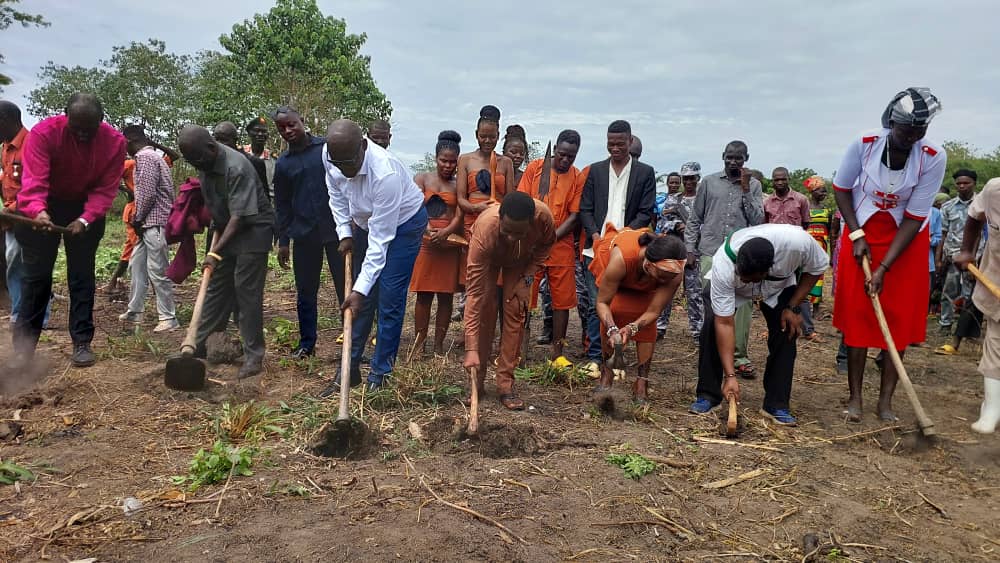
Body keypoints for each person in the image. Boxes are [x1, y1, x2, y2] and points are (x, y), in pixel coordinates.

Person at [833, 87, 946, 422]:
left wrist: (883, 267)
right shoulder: (865, 145)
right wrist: (856, 234)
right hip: (863, 231)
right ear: (891, 123)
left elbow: (915, 216)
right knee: (858, 319)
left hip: (904, 244)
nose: (911, 137)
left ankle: (886, 403)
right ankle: (855, 400)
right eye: (905, 130)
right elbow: (841, 189)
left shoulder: (932, 156)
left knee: (895, 321)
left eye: (919, 131)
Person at [11, 93, 126, 368]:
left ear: (102, 120)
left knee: (81, 276)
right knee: (36, 279)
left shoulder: (114, 142)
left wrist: (85, 220)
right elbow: (35, 180)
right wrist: (39, 211)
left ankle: (82, 343)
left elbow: (105, 188)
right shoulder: (44, 133)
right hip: (46, 203)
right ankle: (23, 350)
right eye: (78, 129)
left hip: (85, 207)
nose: (84, 135)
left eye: (91, 128)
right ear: (65, 116)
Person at [321, 119, 427, 393]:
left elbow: (381, 242)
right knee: (361, 301)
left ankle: (380, 373)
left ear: (364, 147)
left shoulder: (385, 174)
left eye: (350, 163)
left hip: (404, 223)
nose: (344, 170)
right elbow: (335, 194)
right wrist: (344, 231)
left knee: (388, 296)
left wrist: (360, 290)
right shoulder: (331, 156)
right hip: (365, 222)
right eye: (339, 164)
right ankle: (349, 369)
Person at [689, 224, 828, 425]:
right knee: (711, 326)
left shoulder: (799, 244)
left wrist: (793, 306)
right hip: (731, 288)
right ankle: (708, 395)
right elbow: (725, 323)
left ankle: (776, 404)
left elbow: (817, 268)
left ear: (766, 271)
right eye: (742, 276)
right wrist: (730, 375)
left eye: (749, 279)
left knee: (787, 331)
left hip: (778, 287)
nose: (745, 280)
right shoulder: (724, 265)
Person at [177, 124, 274, 379]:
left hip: (253, 229)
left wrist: (215, 252)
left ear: (211, 148)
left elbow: (241, 216)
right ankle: (197, 343)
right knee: (217, 286)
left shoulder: (237, 167)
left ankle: (254, 355)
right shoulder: (204, 160)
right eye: (190, 161)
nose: (195, 164)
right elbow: (217, 203)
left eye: (196, 159)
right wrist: (216, 237)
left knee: (246, 292)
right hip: (227, 226)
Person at [463, 192, 556, 410]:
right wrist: (471, 349)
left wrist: (528, 278)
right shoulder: (484, 231)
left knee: (515, 311)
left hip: (520, 264)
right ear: (500, 218)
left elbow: (546, 245)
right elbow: (473, 296)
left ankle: (506, 385)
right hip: (489, 259)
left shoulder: (544, 217)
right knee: (485, 308)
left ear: (531, 222)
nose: (512, 238)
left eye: (520, 233)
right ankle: (477, 381)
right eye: (507, 231)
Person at [579, 120, 657, 376]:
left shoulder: (645, 172)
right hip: (597, 249)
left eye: (620, 143)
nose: (615, 148)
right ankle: (596, 357)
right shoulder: (595, 171)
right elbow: (586, 209)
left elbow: (646, 211)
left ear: (630, 141)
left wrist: (624, 237)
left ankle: (618, 359)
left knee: (621, 305)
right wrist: (595, 236)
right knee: (596, 303)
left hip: (629, 251)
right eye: (610, 143)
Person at [685, 141, 765, 378]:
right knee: (711, 303)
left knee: (741, 307)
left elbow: (757, 219)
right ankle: (711, 352)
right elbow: (694, 218)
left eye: (738, 158)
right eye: (729, 157)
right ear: (723, 156)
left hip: (739, 256)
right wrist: (690, 249)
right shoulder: (708, 183)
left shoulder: (755, 186)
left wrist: (746, 188)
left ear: (746, 158)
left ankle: (739, 356)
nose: (733, 162)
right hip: (710, 251)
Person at [273, 107, 345, 359]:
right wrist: (283, 241)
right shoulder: (283, 164)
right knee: (305, 292)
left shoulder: (326, 150)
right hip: (304, 234)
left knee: (345, 287)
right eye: (282, 128)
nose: (288, 131)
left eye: (291, 124)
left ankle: (353, 342)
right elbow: (281, 204)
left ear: (302, 121)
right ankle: (307, 344)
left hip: (337, 231)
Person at [590, 227, 685, 402]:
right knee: (614, 313)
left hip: (645, 288)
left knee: (647, 327)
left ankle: (642, 381)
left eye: (669, 278)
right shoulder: (621, 258)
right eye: (662, 277)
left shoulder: (673, 272)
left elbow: (654, 311)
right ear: (648, 264)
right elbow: (603, 302)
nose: (665, 281)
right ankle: (607, 373)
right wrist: (612, 329)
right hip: (620, 281)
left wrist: (632, 328)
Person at [518, 129, 587, 365]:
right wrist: (533, 236)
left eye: (571, 156)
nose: (565, 160)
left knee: (562, 300)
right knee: (525, 295)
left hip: (560, 244)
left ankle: (558, 355)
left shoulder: (577, 177)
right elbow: (523, 202)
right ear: (555, 149)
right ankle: (518, 350)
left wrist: (550, 237)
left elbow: (575, 215)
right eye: (562, 154)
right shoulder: (536, 167)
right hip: (531, 242)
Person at [117, 125, 178, 332]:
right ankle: (135, 310)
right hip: (147, 225)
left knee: (158, 270)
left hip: (154, 222)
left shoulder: (145, 158)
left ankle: (169, 318)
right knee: (137, 265)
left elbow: (147, 194)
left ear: (130, 141)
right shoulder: (153, 157)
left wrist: (138, 217)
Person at [410, 131, 463, 356]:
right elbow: (411, 207)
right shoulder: (422, 179)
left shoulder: (459, 184)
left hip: (449, 244)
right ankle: (420, 344)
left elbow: (460, 214)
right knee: (423, 295)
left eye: (452, 162)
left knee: (445, 296)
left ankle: (439, 346)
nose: (448, 165)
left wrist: (447, 231)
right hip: (425, 243)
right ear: (436, 158)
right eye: (444, 160)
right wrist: (426, 229)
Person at [954, 177, 1000, 434]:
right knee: (996, 341)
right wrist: (966, 250)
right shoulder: (994, 190)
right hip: (997, 279)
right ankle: (992, 408)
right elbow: (974, 217)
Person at [764, 167, 816, 339]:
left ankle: (806, 328)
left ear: (788, 179)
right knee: (776, 288)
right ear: (772, 181)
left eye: (783, 179)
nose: (779, 182)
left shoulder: (801, 200)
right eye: (776, 180)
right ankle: (777, 325)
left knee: (798, 288)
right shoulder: (767, 202)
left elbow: (806, 224)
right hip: (775, 255)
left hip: (795, 253)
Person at [656, 162, 704, 342]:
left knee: (694, 294)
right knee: (666, 289)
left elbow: (708, 225)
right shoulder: (673, 199)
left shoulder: (703, 199)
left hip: (696, 252)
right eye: (686, 178)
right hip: (674, 251)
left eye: (692, 178)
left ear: (698, 178)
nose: (689, 182)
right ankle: (660, 327)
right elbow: (663, 223)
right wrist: (678, 224)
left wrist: (691, 228)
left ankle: (698, 332)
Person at [938, 169, 978, 336]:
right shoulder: (948, 207)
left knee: (972, 295)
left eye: (966, 183)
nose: (962, 186)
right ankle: (945, 325)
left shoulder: (982, 205)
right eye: (959, 183)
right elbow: (943, 234)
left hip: (976, 258)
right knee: (949, 291)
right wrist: (939, 258)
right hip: (953, 257)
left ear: (974, 184)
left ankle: (966, 330)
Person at [0, 101, 30, 323]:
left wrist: (10, 210)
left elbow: (34, 186)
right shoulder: (5, 147)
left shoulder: (31, 145)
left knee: (30, 264)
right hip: (10, 217)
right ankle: (19, 312)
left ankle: (32, 316)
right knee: (13, 261)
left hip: (29, 216)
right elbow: (8, 178)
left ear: (5, 120)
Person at [804, 176, 832, 322]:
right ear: (813, 191)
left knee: (819, 277)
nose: (824, 194)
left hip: (821, 248)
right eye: (821, 191)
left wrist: (832, 255)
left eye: (825, 191)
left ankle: (815, 309)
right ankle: (802, 307)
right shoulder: (804, 207)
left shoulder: (827, 211)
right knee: (803, 275)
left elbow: (831, 232)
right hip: (807, 247)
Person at [213, 121, 269, 191]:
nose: (220, 144)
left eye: (224, 140)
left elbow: (263, 194)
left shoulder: (253, 162)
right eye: (217, 140)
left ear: (235, 140)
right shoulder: (213, 162)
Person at [244, 116, 275, 198]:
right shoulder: (240, 155)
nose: (260, 134)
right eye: (257, 131)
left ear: (267, 135)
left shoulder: (273, 160)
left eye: (263, 131)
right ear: (249, 133)